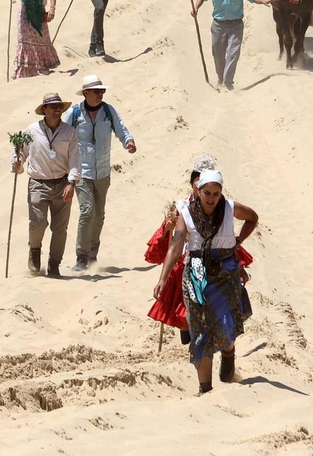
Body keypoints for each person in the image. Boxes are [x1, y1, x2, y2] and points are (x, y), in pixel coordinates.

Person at [152, 168, 259, 393]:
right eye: (207, 193)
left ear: (221, 193)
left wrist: (238, 240)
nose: (211, 198)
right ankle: (205, 389)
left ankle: (228, 354)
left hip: (226, 273)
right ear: (198, 191)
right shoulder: (186, 214)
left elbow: (253, 218)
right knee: (200, 332)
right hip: (196, 275)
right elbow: (176, 247)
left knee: (227, 323)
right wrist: (163, 278)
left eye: (215, 193)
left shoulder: (230, 208)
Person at [146, 155, 254, 343]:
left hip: (218, 262)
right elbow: (171, 242)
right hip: (188, 260)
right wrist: (167, 227)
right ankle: (193, 345)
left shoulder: (224, 207)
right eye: (200, 186)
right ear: (194, 185)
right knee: (184, 310)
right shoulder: (181, 207)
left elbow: (230, 238)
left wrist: (237, 245)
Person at [65, 74, 135, 272]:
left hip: (103, 172)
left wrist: (128, 141)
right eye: (96, 91)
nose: (100, 94)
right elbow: (63, 134)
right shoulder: (75, 113)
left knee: (99, 215)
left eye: (102, 91)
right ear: (86, 93)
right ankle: (81, 256)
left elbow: (121, 129)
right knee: (87, 212)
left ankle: (93, 253)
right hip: (82, 171)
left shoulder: (108, 111)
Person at [12, 93, 80, 278]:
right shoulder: (31, 130)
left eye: (60, 106)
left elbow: (75, 158)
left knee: (60, 228)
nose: (58, 110)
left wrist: (72, 182)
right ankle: (34, 251)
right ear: (44, 109)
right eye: (54, 106)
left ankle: (54, 264)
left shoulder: (69, 132)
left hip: (62, 183)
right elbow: (20, 153)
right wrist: (17, 165)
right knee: (37, 223)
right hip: (38, 183)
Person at [191, 0, 271, 90]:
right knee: (218, 54)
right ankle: (220, 78)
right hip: (218, 25)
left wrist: (263, 1)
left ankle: (228, 83)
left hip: (236, 25)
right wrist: (195, 8)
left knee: (233, 53)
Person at [8, 0, 59, 79]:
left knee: (42, 38)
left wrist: (52, 9)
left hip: (40, 10)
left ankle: (41, 66)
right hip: (25, 12)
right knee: (25, 40)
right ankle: (25, 70)